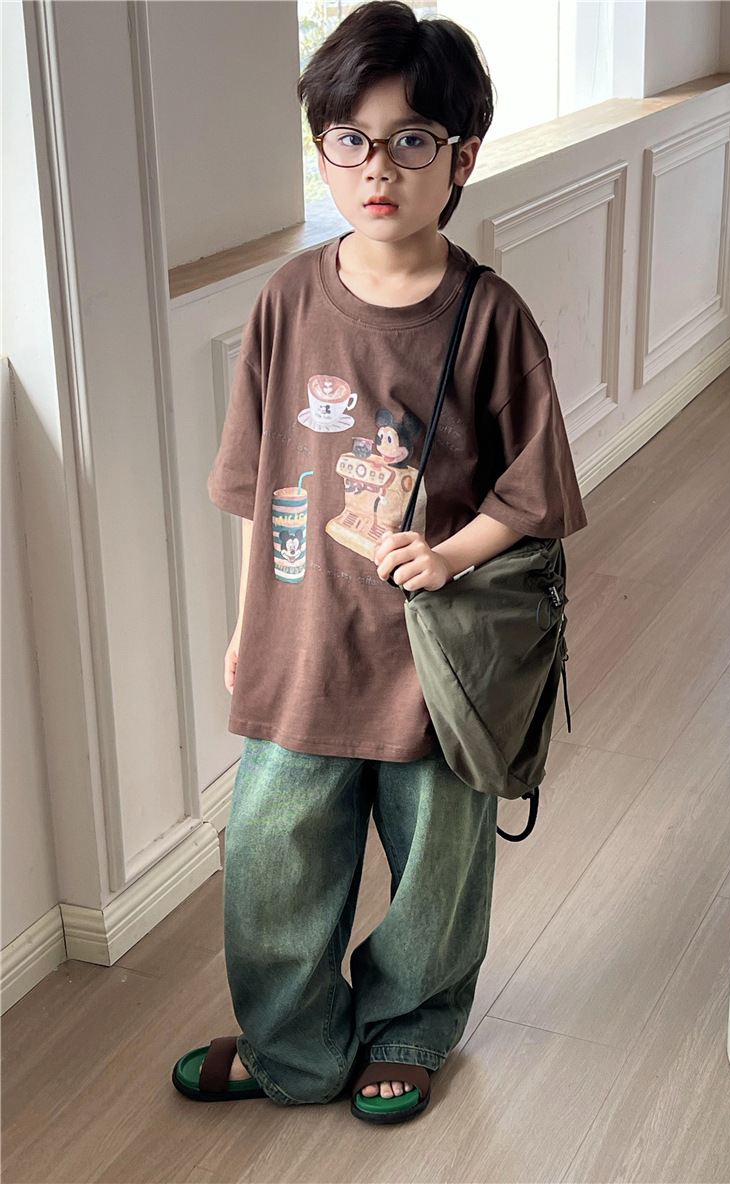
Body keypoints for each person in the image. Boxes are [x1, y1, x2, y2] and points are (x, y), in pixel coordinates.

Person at [171, 0, 587, 1123]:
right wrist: (246, 625)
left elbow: (534, 491)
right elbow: (258, 479)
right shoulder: (287, 301)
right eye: (349, 139)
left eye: (411, 140)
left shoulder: (491, 317)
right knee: (274, 857)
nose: (378, 168)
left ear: (462, 157)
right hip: (304, 640)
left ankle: (408, 1026)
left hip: (433, 655)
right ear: (322, 150)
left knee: (438, 860)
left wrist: (447, 554)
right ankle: (293, 1044)